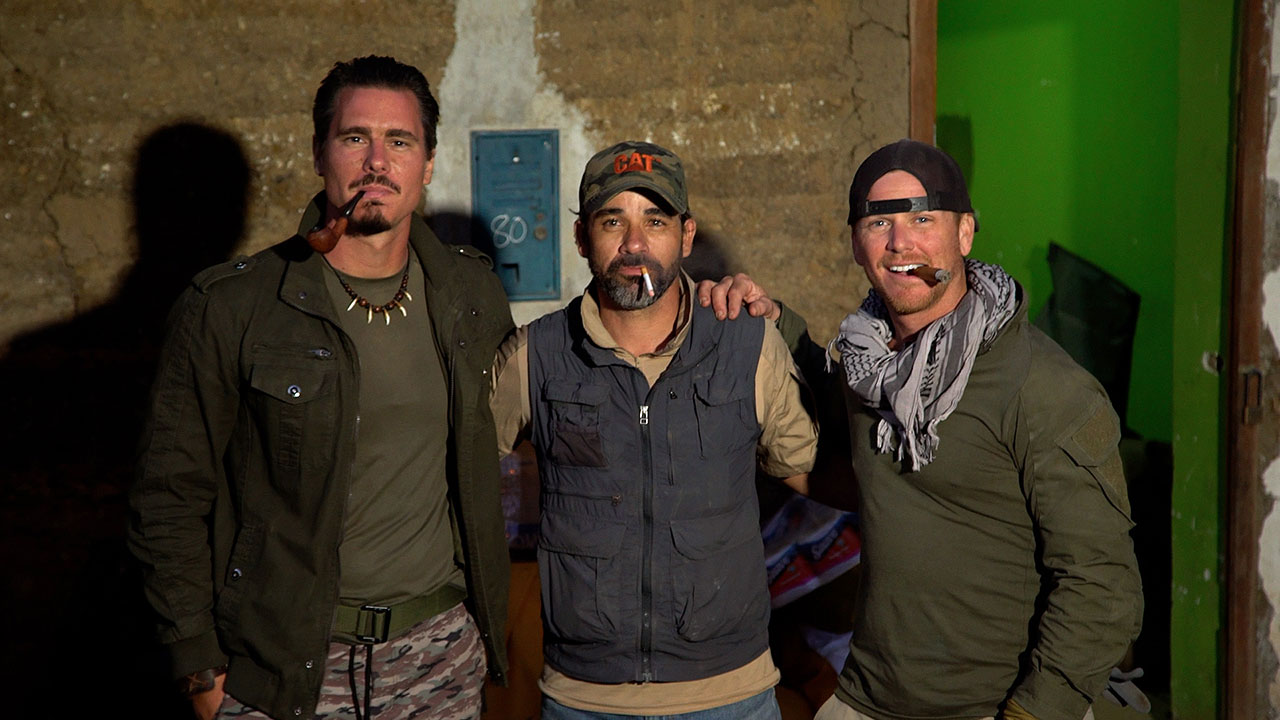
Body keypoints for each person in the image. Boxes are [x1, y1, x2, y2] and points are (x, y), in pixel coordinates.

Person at [127, 55, 514, 720]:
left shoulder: (471, 294)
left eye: (400, 142)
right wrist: (200, 672)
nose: (376, 162)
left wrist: (700, 302)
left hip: (438, 658)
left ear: (427, 164)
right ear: (318, 153)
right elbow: (168, 496)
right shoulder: (234, 306)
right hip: (283, 668)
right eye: (354, 137)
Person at [703, 139, 1143, 720]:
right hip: (867, 698)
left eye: (923, 219)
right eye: (878, 222)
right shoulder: (871, 364)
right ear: (856, 244)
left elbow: (1102, 586)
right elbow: (841, 433)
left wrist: (1034, 712)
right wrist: (772, 322)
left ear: (965, 233)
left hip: (994, 707)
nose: (900, 242)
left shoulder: (1044, 387)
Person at [488, 141, 818, 719]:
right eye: (612, 221)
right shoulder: (535, 355)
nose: (634, 243)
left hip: (732, 696)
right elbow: (458, 477)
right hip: (583, 699)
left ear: (686, 237)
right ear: (582, 238)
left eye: (656, 221)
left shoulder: (749, 345)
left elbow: (813, 475)